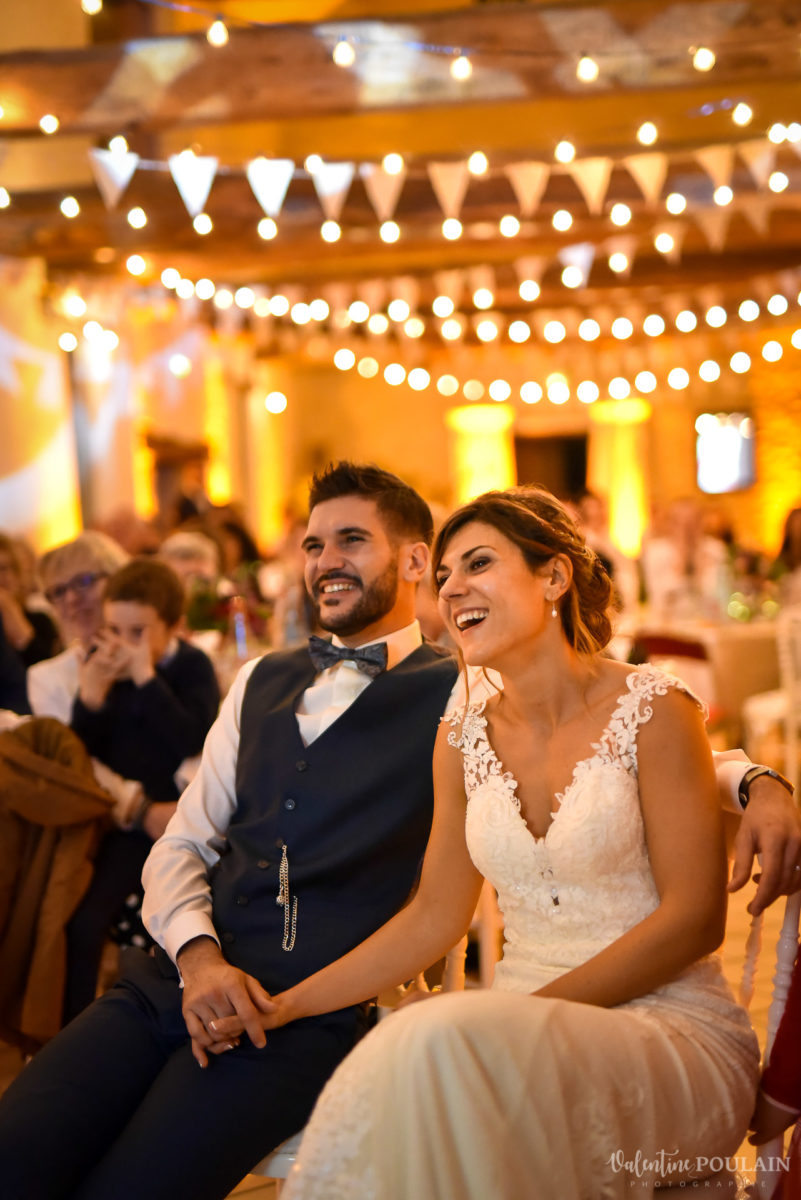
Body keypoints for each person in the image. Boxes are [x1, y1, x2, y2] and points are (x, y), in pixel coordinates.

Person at [0, 465, 797, 1200]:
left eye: (352, 540)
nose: (325, 560)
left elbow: (642, 744)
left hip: (365, 1018)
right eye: (312, 544)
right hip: (182, 981)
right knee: (21, 1152)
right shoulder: (280, 685)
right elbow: (189, 845)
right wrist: (202, 959)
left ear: (411, 562)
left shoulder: (463, 691)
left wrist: (757, 780)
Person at [251, 485, 763, 1198]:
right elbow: (434, 915)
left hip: (671, 1031)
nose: (452, 586)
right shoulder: (460, 735)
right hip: (511, 1028)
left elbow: (694, 921)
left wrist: (517, 1016)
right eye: (444, 575)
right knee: (411, 1062)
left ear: (553, 577)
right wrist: (286, 1006)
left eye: (478, 563)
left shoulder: (656, 708)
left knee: (437, 1047)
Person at [63, 557, 220, 1020]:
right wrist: (90, 696)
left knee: (130, 918)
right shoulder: (103, 669)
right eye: (114, 629)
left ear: (172, 626)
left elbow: (191, 737)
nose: (122, 644)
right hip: (121, 819)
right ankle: (68, 1026)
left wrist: (146, 679)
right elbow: (83, 754)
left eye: (138, 632)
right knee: (78, 918)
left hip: (174, 819)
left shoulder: (192, 667)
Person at [27, 530, 129, 721]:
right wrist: (89, 700)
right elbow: (66, 749)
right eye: (58, 591)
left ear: (118, 578)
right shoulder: (47, 678)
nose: (72, 598)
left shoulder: (154, 651)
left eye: (83, 581)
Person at [0, 532, 61, 668]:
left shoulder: (40, 621)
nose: (1, 577)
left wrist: (11, 612)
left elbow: (49, 667)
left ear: (17, 574)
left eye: (4, 569)